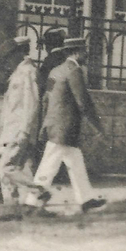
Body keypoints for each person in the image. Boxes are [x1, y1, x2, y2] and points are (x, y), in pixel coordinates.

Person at [32, 37, 107, 214]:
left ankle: (86, 199)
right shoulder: (74, 71)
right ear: (76, 52)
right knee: (49, 165)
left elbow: (46, 98)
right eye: (84, 50)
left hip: (54, 125)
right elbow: (83, 101)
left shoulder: (55, 71)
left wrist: (46, 122)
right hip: (65, 128)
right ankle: (32, 201)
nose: (86, 54)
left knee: (75, 160)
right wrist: (97, 125)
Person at [0, 34, 51, 221]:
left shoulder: (28, 72)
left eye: (9, 57)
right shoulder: (18, 72)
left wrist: (25, 131)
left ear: (18, 54)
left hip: (19, 130)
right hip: (9, 130)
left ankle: (35, 194)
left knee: (7, 168)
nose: (7, 62)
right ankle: (8, 204)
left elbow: (32, 103)